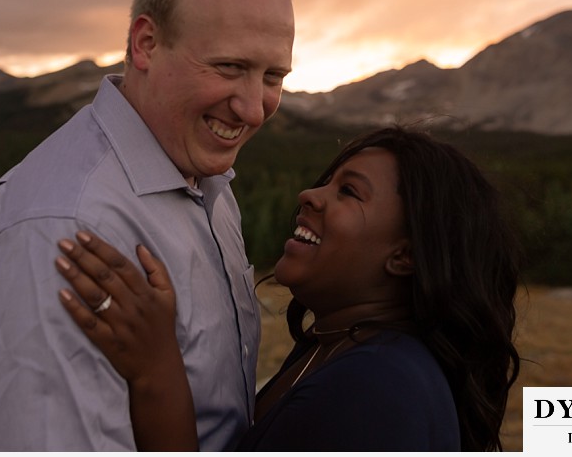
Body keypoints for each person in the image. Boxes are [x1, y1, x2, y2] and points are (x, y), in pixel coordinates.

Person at [0, 0, 295, 450]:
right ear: (145, 43)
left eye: (273, 75)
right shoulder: (63, 230)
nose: (255, 109)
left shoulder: (205, 181)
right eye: (230, 67)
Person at [56, 126, 522, 451]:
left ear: (406, 256)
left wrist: (155, 370)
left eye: (349, 192)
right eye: (328, 182)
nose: (310, 195)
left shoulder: (376, 392)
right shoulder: (336, 348)